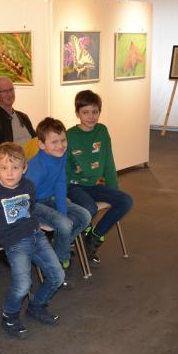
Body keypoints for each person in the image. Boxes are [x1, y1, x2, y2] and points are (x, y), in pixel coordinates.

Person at [0, 142, 65, 339]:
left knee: (58, 276)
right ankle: (9, 315)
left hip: (35, 235)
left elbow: (31, 208)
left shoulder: (28, 185)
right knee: (23, 284)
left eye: (15, 168)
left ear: (24, 168)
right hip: (15, 243)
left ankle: (37, 306)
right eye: (4, 168)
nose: (9, 173)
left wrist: (35, 226)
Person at [66, 90, 133, 263]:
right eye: (85, 112)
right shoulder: (69, 135)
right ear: (77, 113)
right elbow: (63, 167)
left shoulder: (102, 131)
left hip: (95, 185)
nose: (91, 116)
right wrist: (62, 193)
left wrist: (113, 189)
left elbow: (108, 161)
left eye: (95, 112)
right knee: (90, 208)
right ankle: (80, 236)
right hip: (74, 186)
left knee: (125, 201)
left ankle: (93, 237)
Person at [26, 117, 91, 270]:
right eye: (54, 142)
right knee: (64, 223)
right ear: (41, 145)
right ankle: (59, 260)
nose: (60, 146)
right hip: (32, 203)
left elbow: (60, 183)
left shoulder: (61, 156)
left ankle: (56, 250)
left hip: (50, 199)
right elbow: (25, 195)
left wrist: (62, 211)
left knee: (85, 216)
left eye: (63, 140)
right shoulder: (37, 166)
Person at [0, 76, 35, 148]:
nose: (10, 94)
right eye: (5, 91)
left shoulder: (24, 117)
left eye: (11, 89)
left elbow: (35, 140)